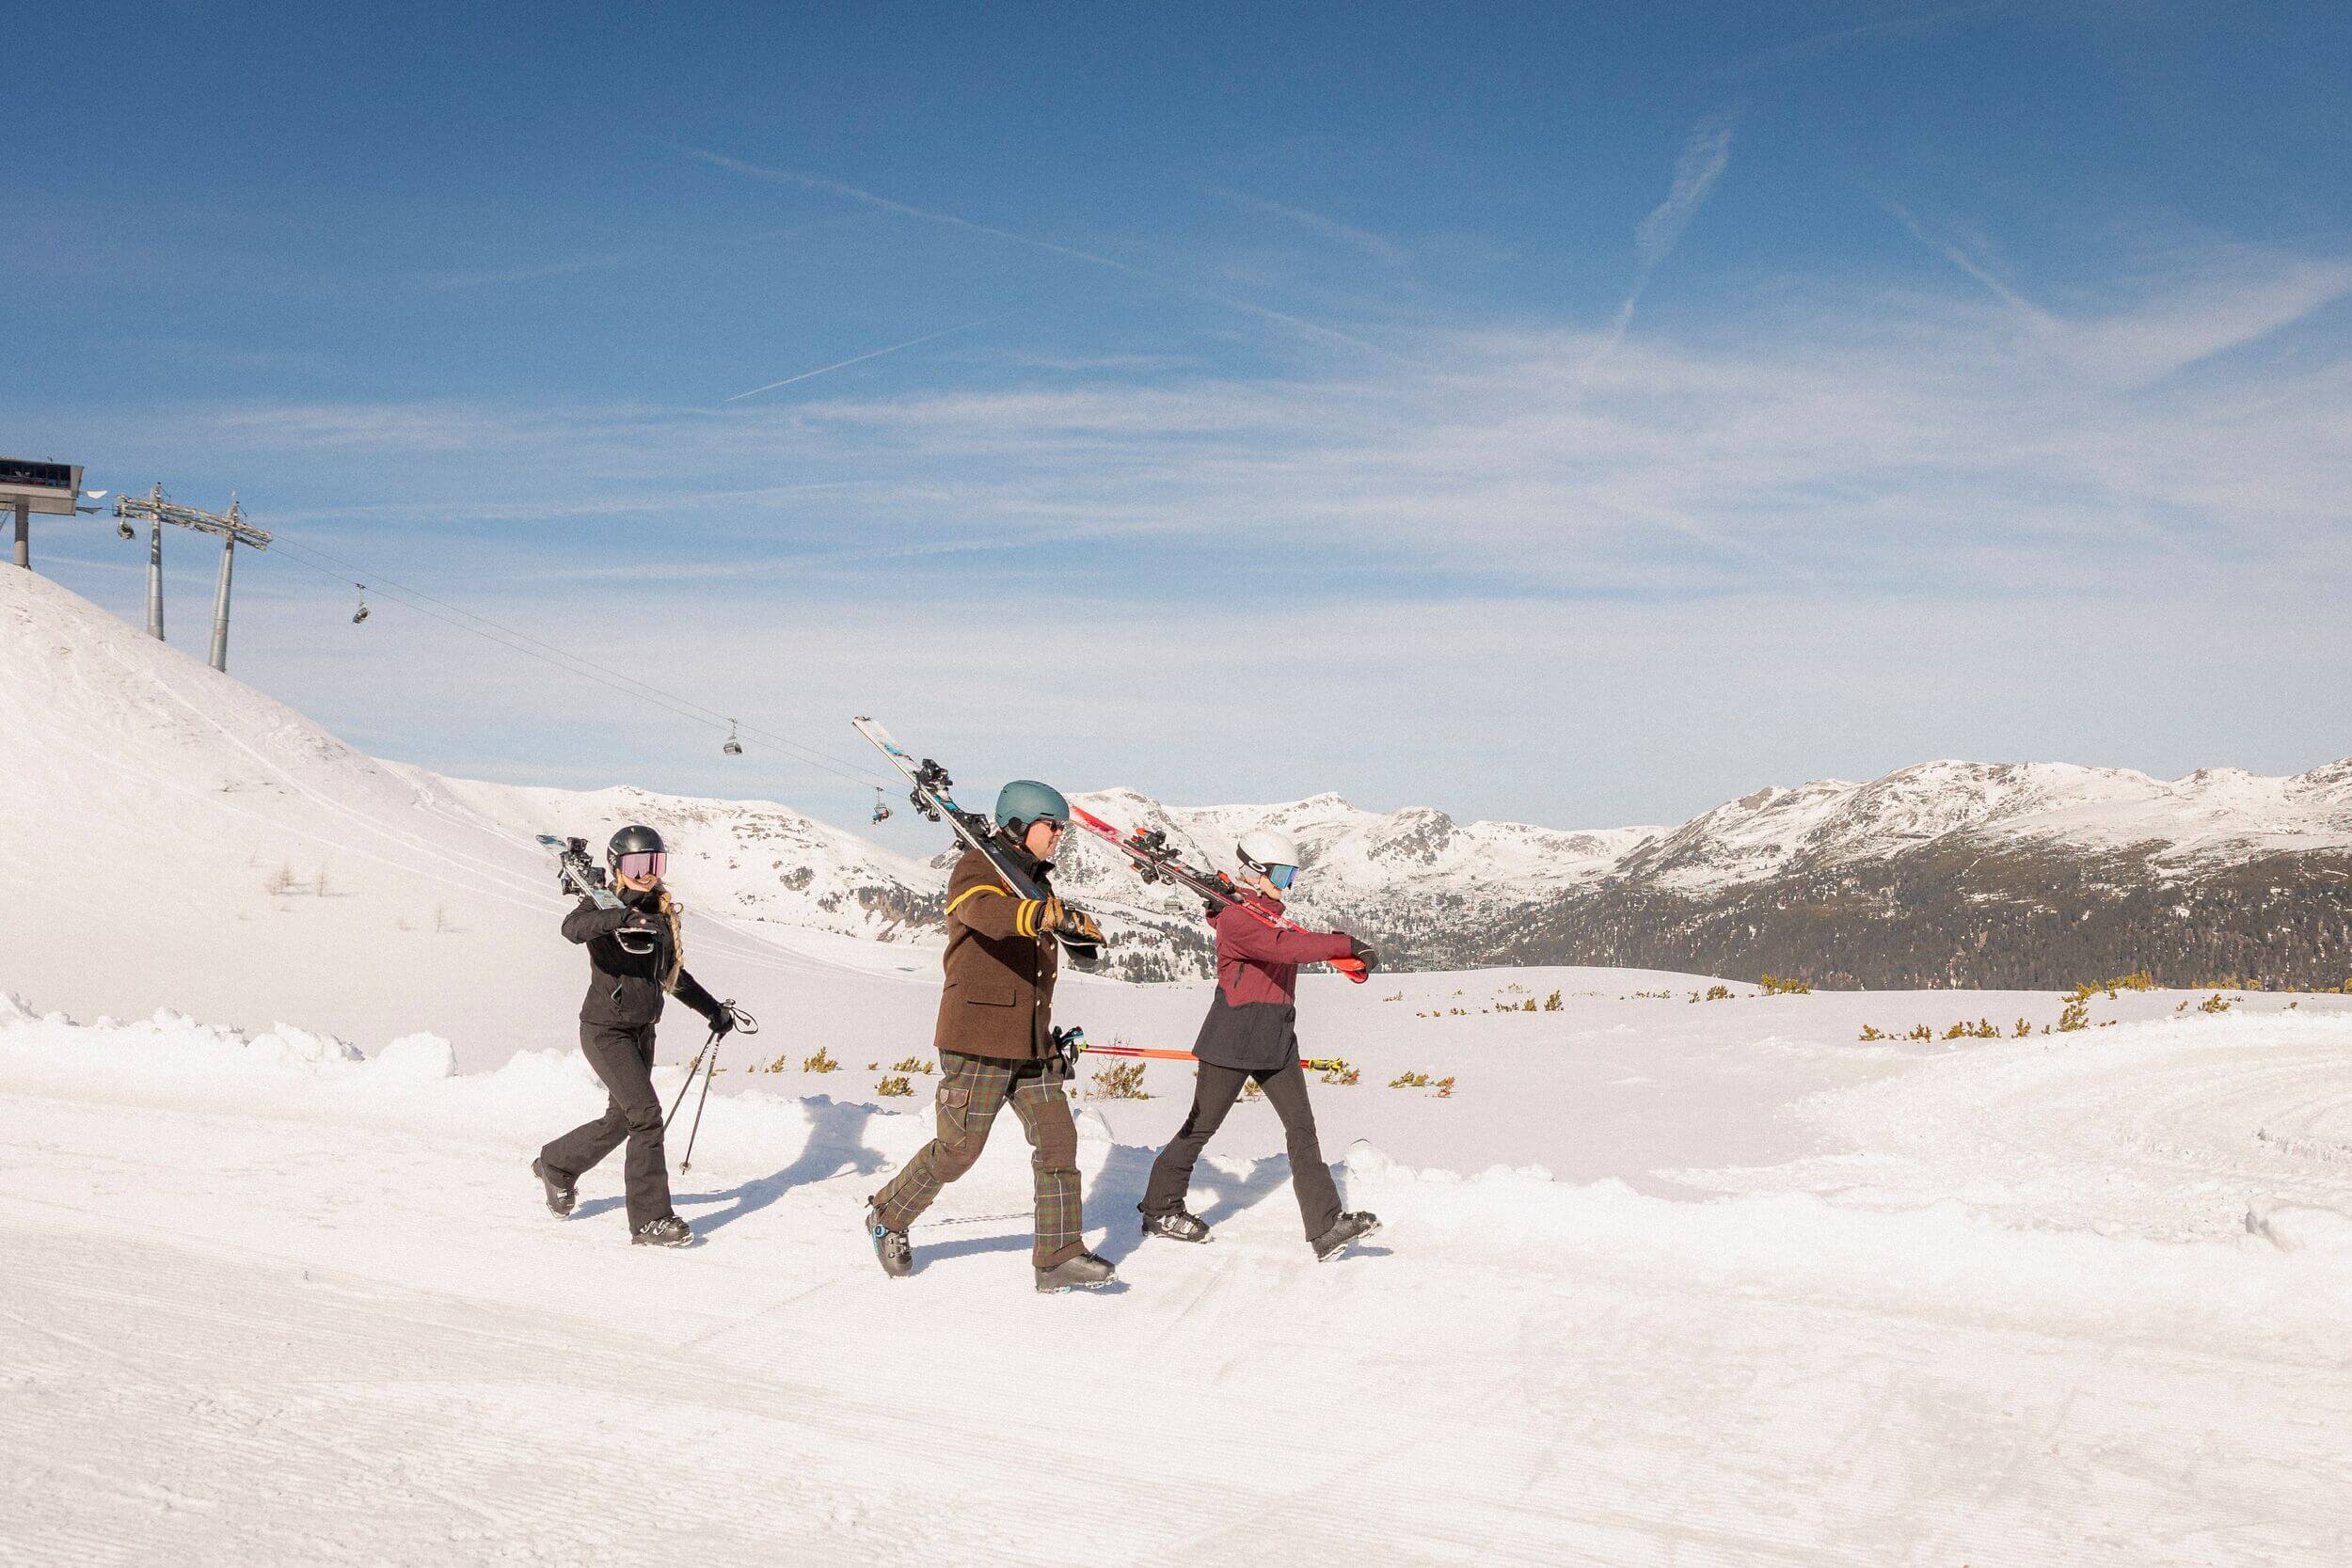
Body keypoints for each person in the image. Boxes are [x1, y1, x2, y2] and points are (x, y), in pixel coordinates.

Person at [864, 780, 1118, 1292]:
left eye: (1062, 827)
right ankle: (888, 1214)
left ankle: (1058, 1255)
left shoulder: (1034, 881)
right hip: (978, 1036)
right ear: (1021, 824)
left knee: (1058, 1141)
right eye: (1053, 826)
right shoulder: (979, 868)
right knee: (959, 1149)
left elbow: (1047, 936)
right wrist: (1040, 914)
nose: (1059, 836)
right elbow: (985, 912)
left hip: (1031, 1043)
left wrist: (1077, 932)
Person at [1139, 826, 1382, 1261]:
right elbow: (1282, 948)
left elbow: (1288, 940)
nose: (1289, 883)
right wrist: (1345, 943)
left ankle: (1325, 1226)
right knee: (1200, 1128)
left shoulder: (1263, 912)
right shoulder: (1237, 919)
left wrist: (1343, 957)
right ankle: (1159, 1208)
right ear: (1256, 871)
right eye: (1283, 874)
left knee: (1301, 1128)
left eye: (1291, 875)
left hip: (1276, 1036)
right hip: (1233, 1037)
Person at [532, 824, 737, 1246]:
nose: (648, 873)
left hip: (642, 1032)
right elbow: (572, 930)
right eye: (638, 864)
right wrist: (621, 916)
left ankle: (556, 1165)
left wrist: (711, 1009)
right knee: (646, 1116)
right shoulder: (596, 906)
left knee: (622, 1119)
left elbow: (669, 976)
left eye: (655, 863)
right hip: (605, 1031)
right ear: (617, 867)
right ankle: (650, 1221)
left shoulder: (660, 915)